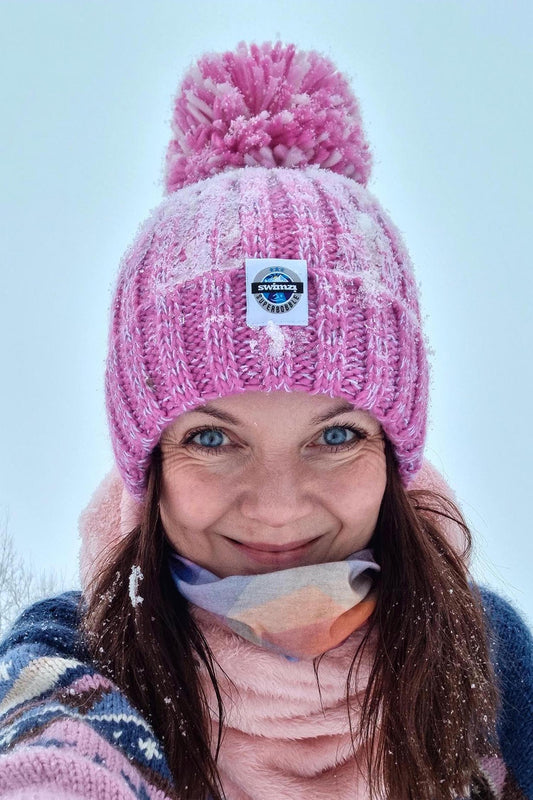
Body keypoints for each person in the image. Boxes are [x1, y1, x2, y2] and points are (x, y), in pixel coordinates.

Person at [0, 41, 531, 800]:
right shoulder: (71, 662)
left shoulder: (488, 661)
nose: (278, 508)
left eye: (336, 436)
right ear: (149, 465)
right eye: (212, 438)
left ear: (394, 457)